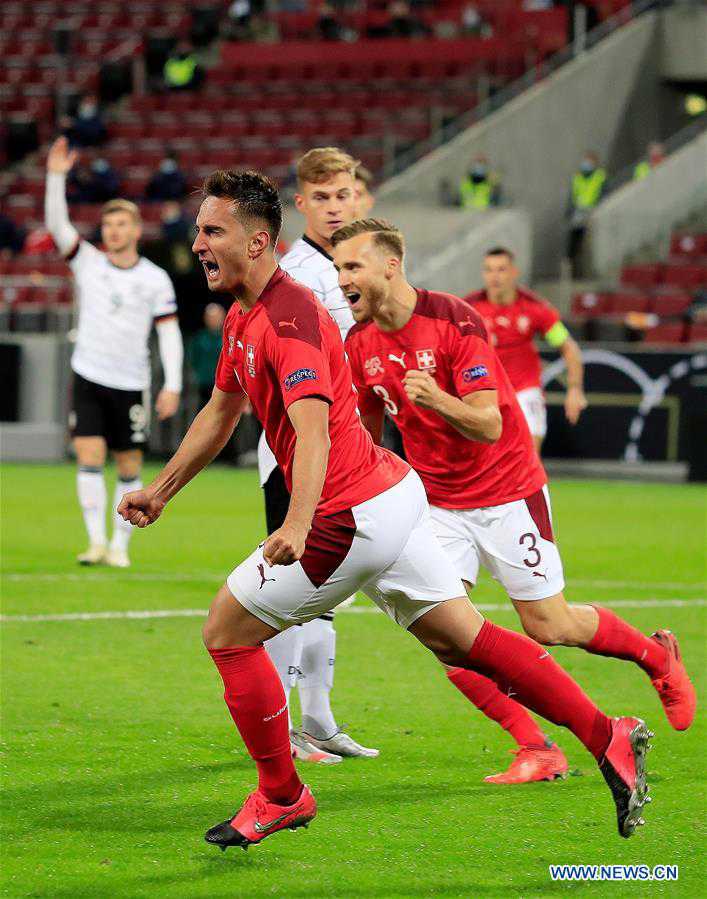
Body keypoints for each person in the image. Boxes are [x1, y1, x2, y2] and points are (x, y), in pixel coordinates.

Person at [120, 171, 655, 849]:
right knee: (463, 638)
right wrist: (160, 490)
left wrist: (295, 522)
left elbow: (311, 432)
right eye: (199, 229)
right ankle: (606, 733)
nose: (196, 242)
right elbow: (223, 411)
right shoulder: (243, 315)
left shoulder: (289, 319)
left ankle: (282, 794)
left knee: (227, 632)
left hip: (347, 516)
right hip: (389, 493)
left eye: (212, 230)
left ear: (258, 241)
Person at [333, 217, 695, 785]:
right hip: (436, 502)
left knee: (549, 625)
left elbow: (487, 425)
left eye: (351, 266)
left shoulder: (454, 319)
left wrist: (438, 399)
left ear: (390, 265)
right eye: (336, 268)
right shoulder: (359, 344)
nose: (341, 279)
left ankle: (656, 657)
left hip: (507, 492)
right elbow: (369, 435)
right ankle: (537, 746)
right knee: (447, 634)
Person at [258, 147, 377, 763]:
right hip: (293, 449)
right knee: (288, 589)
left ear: (360, 198)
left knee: (328, 593)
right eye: (322, 198)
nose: (335, 207)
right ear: (300, 204)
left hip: (349, 452)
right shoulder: (293, 274)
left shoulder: (362, 268)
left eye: (344, 195)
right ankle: (282, 730)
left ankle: (320, 720)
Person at [45, 137, 183, 568]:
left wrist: (173, 385)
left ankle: (121, 546)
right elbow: (56, 226)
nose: (113, 231)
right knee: (88, 456)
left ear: (136, 230)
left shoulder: (155, 279)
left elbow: (169, 333)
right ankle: (96, 542)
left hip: (131, 381)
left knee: (128, 463)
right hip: (88, 373)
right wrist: (54, 177)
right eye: (108, 225)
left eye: (121, 225)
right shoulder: (88, 262)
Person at [463, 247, 586, 454]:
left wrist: (575, 389)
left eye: (501, 270)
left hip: (524, 390)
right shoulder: (468, 308)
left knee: (529, 457)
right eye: (489, 270)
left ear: (514, 273)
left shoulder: (535, 308)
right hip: (485, 392)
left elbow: (569, 348)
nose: (495, 277)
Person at [567, 150, 606, 277]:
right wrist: (570, 211)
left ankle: (588, 273)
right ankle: (574, 273)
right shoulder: (577, 178)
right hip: (578, 214)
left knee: (589, 246)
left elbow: (604, 194)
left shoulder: (600, 176)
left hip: (592, 214)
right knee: (574, 244)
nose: (586, 164)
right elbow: (572, 197)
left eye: (589, 162)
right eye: (585, 161)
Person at [189, 303, 226, 409]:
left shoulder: (229, 337)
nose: (214, 321)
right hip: (205, 384)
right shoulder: (200, 338)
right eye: (211, 318)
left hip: (226, 386)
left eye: (217, 317)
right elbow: (194, 359)